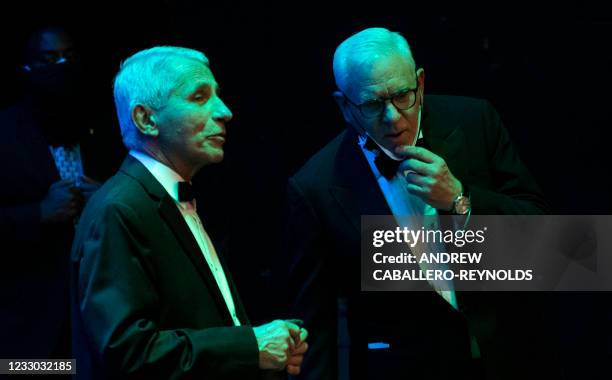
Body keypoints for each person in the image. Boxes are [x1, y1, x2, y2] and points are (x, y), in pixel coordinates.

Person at [283, 28, 556, 379]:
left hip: (511, 357)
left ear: (421, 83)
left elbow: (550, 245)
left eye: (402, 96)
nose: (393, 117)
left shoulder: (475, 122)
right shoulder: (314, 187)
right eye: (372, 104)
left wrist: (460, 201)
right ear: (344, 106)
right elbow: (316, 327)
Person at [71, 46, 308, 379]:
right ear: (146, 119)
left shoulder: (173, 197)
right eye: (199, 97)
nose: (224, 111)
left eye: (217, 96)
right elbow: (127, 353)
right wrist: (249, 347)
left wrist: (262, 354)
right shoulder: (119, 210)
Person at [0, 26, 120, 358]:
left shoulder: (103, 129)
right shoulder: (6, 132)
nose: (61, 66)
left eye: (68, 57)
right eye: (50, 59)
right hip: (27, 318)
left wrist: (106, 198)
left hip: (95, 306)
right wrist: (38, 212)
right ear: (27, 68)